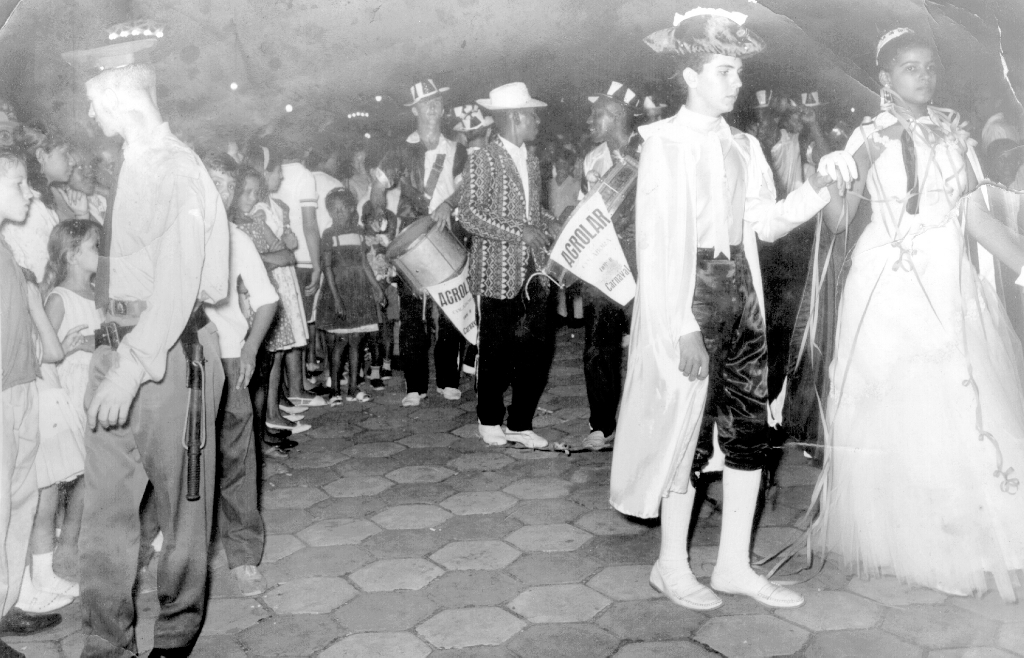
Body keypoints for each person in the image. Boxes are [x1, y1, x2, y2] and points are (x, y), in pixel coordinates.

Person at [609, 9, 834, 611]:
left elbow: (763, 223)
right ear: (689, 74)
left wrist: (822, 189)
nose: (736, 82)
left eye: (737, 70)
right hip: (694, 292)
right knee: (686, 429)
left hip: (741, 289)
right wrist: (682, 324)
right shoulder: (664, 144)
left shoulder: (744, 144)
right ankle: (671, 564)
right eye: (724, 70)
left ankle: (734, 564)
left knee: (748, 428)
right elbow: (656, 246)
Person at [812, 28, 1024, 602]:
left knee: (966, 403)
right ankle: (924, 544)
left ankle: (984, 537)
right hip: (892, 283)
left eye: (928, 67)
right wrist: (829, 172)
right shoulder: (869, 136)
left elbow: (974, 219)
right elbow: (835, 221)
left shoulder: (951, 133)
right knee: (914, 409)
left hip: (951, 281)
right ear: (884, 78)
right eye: (909, 68)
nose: (922, 76)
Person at [62, 35, 229, 656]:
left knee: (184, 509)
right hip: (120, 351)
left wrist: (130, 368)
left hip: (166, 360)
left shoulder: (176, 169)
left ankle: (175, 636)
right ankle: (105, 643)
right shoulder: (132, 163)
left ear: (121, 96)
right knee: (104, 513)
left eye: (94, 102)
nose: (90, 116)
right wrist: (113, 360)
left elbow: (182, 283)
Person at [0, 150, 81, 657]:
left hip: (22, 388)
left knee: (18, 507)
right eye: (18, 182)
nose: (29, 191)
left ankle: (4, 610)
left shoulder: (6, 250)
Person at [460, 82, 557, 450]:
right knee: (497, 350)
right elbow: (469, 214)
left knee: (537, 348)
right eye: (532, 114)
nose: (536, 121)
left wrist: (550, 222)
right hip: (496, 271)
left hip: (534, 270)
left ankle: (520, 422)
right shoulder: (483, 158)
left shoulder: (532, 161)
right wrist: (521, 231)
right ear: (516, 117)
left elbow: (532, 213)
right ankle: (488, 419)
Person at [203, 153, 279, 596]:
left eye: (228, 186)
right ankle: (176, 542)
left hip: (230, 356)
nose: (221, 193)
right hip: (186, 359)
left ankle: (244, 554)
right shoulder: (176, 236)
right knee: (181, 459)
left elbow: (267, 299)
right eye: (213, 182)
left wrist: (250, 346)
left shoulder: (238, 239)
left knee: (236, 456)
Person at [19, 220, 104, 614]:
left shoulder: (96, 291)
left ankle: (71, 542)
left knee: (90, 473)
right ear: (72, 255)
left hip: (98, 385)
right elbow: (41, 350)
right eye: (94, 246)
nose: (100, 253)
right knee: (70, 474)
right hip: (71, 391)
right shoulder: (58, 297)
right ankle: (61, 550)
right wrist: (69, 347)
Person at [571, 81, 644, 452]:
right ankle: (602, 424)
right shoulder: (592, 159)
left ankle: (650, 420)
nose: (590, 120)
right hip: (605, 257)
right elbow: (586, 208)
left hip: (645, 257)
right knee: (598, 343)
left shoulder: (650, 150)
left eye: (596, 113)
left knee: (649, 340)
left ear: (615, 115)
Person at [392, 78, 468, 406]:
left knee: (452, 309)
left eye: (436, 101)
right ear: (415, 110)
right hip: (412, 240)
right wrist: (378, 212)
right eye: (426, 103)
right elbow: (379, 187)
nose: (432, 107)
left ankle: (448, 380)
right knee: (413, 314)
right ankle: (415, 385)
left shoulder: (457, 149)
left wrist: (449, 203)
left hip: (447, 234)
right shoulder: (399, 149)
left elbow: (467, 188)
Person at [232, 164, 310, 438]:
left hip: (264, 300)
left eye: (256, 192)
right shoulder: (227, 228)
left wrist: (255, 261)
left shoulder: (256, 224)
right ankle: (256, 434)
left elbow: (287, 256)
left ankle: (268, 423)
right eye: (245, 192)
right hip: (241, 306)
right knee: (248, 372)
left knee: (268, 362)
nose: (252, 198)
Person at [317, 188, 384, 403]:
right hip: (339, 291)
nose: (338, 214)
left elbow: (364, 263)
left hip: (359, 291)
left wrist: (376, 288)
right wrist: (336, 299)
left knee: (357, 340)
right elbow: (327, 268)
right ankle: (335, 388)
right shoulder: (328, 235)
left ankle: (354, 388)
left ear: (350, 209)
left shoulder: (357, 232)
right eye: (333, 211)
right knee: (340, 340)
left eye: (342, 210)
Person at [1, 133, 72, 283]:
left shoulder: (41, 199)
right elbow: (40, 267)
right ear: (41, 155)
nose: (71, 162)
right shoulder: (26, 208)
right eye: (65, 154)